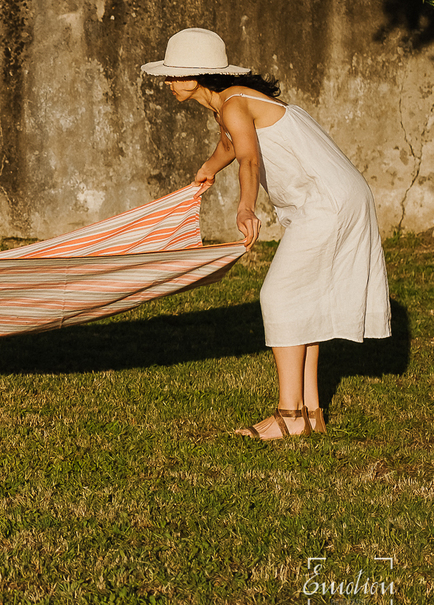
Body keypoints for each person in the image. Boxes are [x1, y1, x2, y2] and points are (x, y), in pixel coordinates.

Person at [141, 28, 391, 440]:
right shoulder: (229, 103)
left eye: (175, 74)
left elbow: (250, 160)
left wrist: (245, 207)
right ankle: (311, 414)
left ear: (198, 75)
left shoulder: (233, 103)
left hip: (326, 202)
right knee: (306, 297)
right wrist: (208, 169)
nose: (168, 82)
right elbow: (232, 145)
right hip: (334, 196)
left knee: (280, 295)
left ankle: (289, 416)